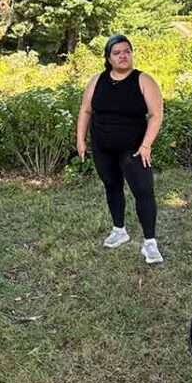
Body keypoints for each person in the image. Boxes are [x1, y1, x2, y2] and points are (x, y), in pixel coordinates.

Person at [76, 34, 165, 264]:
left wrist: (146, 145)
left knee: (143, 191)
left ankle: (150, 243)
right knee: (112, 186)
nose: (123, 56)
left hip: (134, 149)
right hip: (102, 147)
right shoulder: (97, 81)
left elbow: (156, 115)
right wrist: (81, 140)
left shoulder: (143, 80)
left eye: (127, 51)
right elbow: (86, 111)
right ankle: (119, 230)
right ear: (108, 57)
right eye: (117, 53)